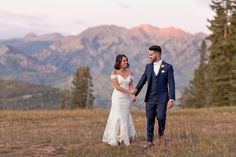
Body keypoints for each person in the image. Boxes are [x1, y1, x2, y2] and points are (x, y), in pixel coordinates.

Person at [131, 45, 175, 148]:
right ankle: (150, 141)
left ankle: (161, 135)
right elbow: (143, 80)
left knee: (161, 117)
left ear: (157, 54)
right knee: (150, 119)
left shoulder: (168, 67)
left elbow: (171, 83)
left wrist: (171, 98)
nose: (149, 56)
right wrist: (135, 92)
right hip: (150, 98)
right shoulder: (148, 67)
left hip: (162, 98)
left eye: (151, 54)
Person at [102, 54, 136, 146]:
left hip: (127, 99)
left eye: (126, 60)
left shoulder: (130, 73)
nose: (126, 62)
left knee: (125, 116)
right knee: (118, 116)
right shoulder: (114, 72)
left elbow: (131, 86)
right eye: (124, 61)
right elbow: (117, 87)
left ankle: (124, 138)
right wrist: (128, 91)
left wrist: (133, 95)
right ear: (119, 62)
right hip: (118, 98)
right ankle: (114, 138)